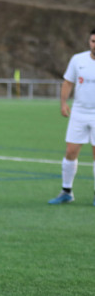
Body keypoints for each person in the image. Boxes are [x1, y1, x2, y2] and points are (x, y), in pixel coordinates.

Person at [48, 28, 95, 205]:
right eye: (92, 41)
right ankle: (66, 191)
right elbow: (68, 82)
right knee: (70, 151)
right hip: (79, 112)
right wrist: (63, 103)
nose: (94, 45)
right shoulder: (78, 59)